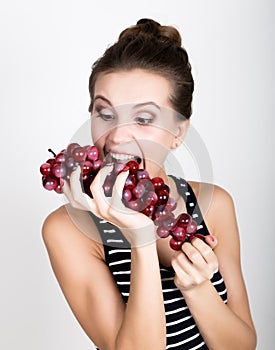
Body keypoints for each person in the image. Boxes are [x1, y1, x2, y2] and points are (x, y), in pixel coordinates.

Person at [42, 18, 257, 350]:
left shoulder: (214, 204)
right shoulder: (68, 230)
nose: (117, 137)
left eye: (143, 118)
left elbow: (242, 345)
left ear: (178, 133)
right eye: (105, 113)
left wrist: (198, 288)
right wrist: (141, 239)